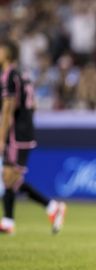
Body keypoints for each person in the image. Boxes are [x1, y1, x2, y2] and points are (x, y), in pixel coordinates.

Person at [0, 39, 66, 235]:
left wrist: (2, 137)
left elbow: (8, 108)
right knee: (10, 177)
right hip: (25, 130)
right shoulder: (23, 74)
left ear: (8, 53)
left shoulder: (8, 75)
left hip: (16, 133)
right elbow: (33, 104)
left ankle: (51, 206)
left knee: (9, 176)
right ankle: (11, 221)